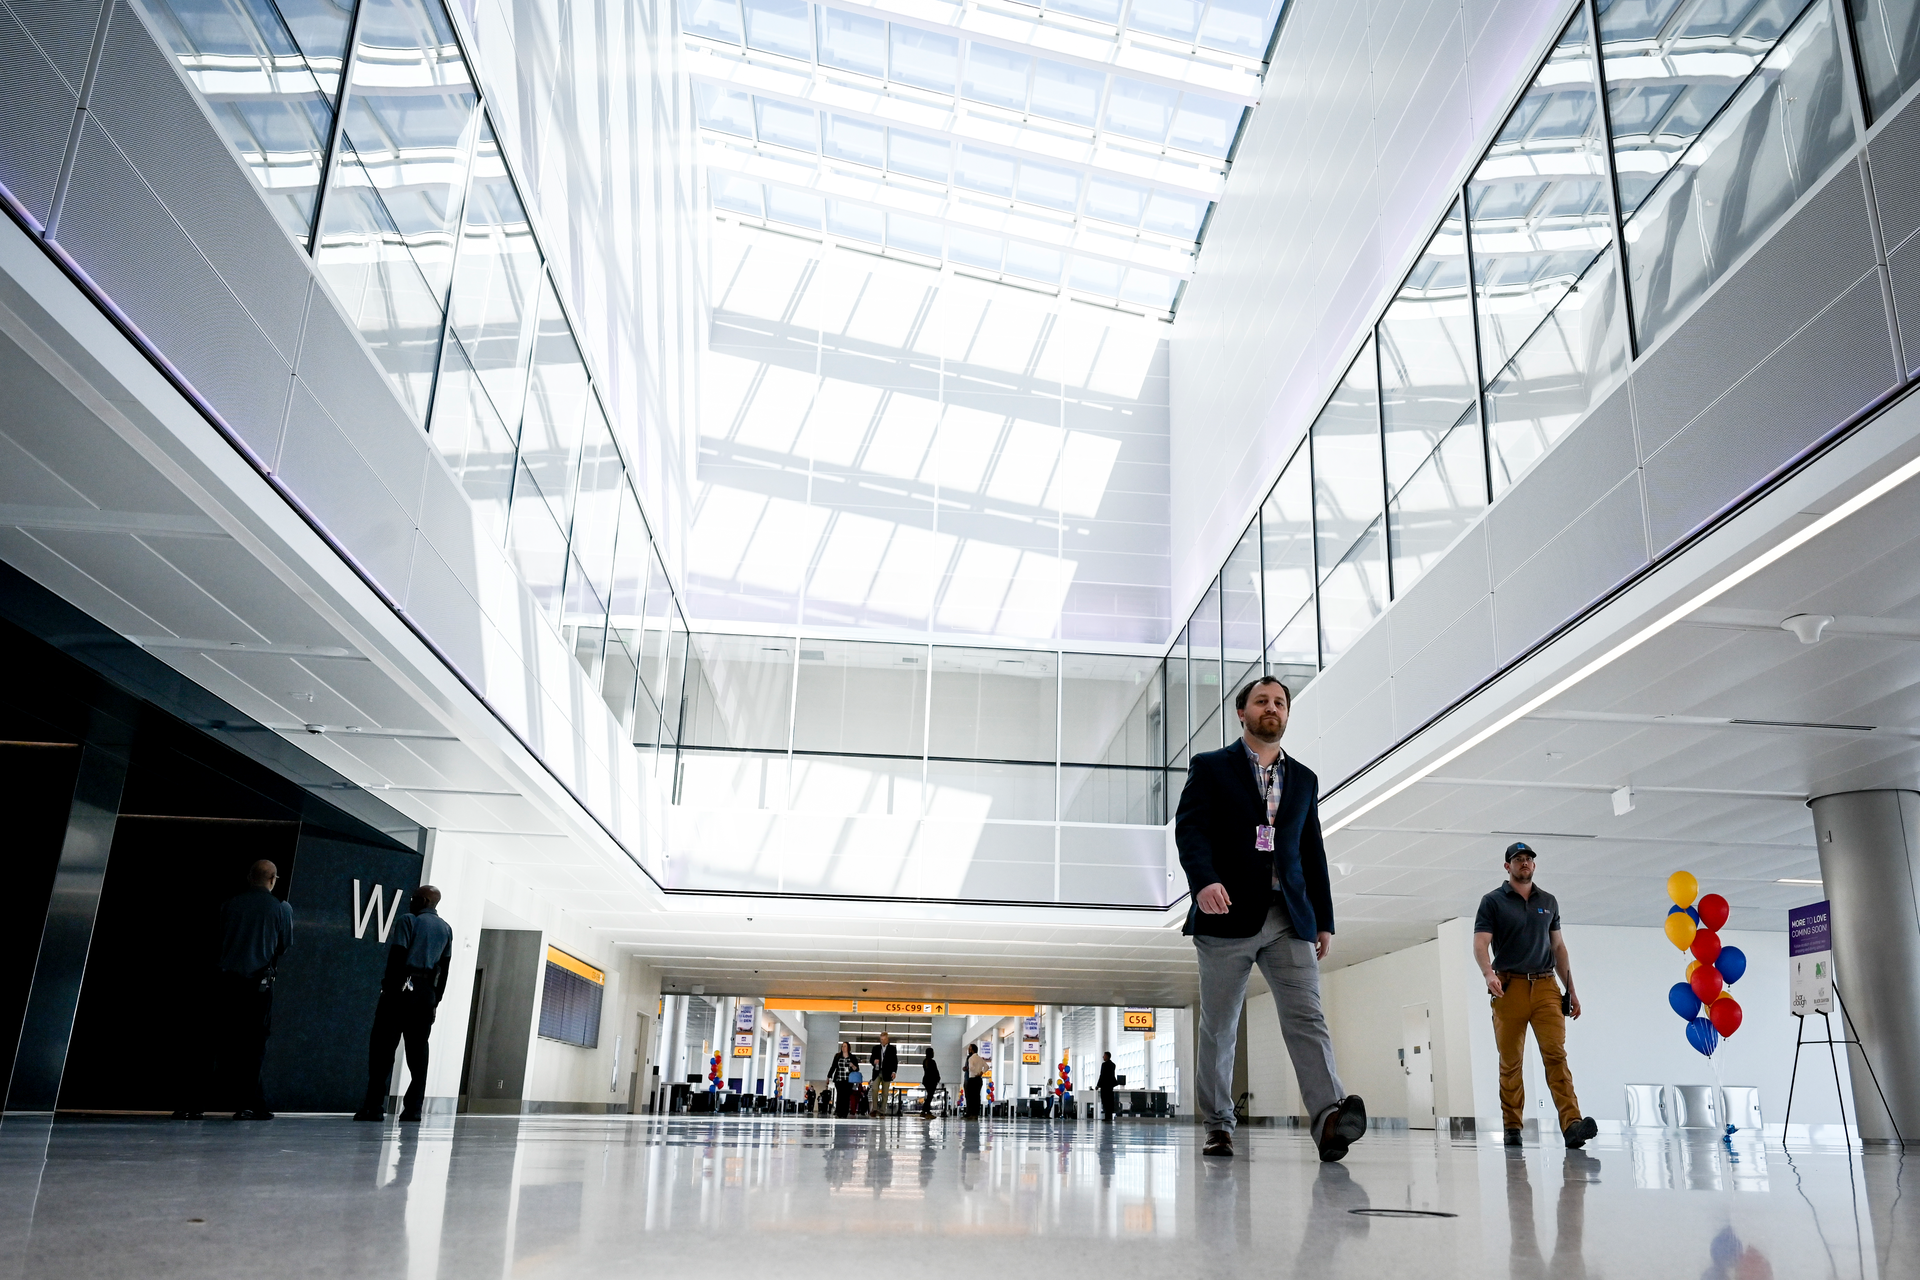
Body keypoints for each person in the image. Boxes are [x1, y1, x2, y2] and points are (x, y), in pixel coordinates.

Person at [1176, 675, 1365, 1161]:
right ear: (1242, 713)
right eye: (1262, 701)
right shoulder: (1212, 767)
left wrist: (1323, 918)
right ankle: (1218, 1125)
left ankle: (1328, 1121)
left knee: (1308, 1018)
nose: (1272, 708)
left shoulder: (1303, 778)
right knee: (1219, 1026)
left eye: (1279, 702)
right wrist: (1204, 882)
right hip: (1226, 915)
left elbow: (1311, 851)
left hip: (1289, 917)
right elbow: (1191, 830)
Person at [1474, 842, 1598, 1149]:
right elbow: (1480, 943)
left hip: (1545, 987)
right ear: (1508, 867)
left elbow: (1558, 947)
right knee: (1511, 1061)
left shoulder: (1549, 901)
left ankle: (1572, 1124)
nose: (1524, 863)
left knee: (1556, 1055)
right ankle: (1513, 1126)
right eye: (1518, 859)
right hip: (1509, 987)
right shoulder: (1492, 901)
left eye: (1528, 859)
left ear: (1534, 865)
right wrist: (1488, 974)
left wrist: (1571, 989)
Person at [352, 885, 453, 1122]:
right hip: (426, 993)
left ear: (426, 900)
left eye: (414, 898)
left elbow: (397, 957)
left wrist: (388, 988)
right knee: (418, 1051)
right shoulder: (446, 929)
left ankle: (374, 1107)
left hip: (401, 989)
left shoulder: (408, 920)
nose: (410, 901)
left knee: (382, 1049)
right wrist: (435, 999)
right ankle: (413, 1109)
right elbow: (444, 969)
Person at [210, 860, 292, 1120]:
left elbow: (217, 938)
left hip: (225, 982)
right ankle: (248, 1104)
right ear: (273, 879)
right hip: (258, 985)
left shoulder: (229, 905)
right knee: (253, 1045)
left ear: (249, 878)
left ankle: (196, 1102)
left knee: (216, 1040)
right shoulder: (280, 908)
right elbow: (283, 946)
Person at [870, 1032, 898, 1117]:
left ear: (887, 1039)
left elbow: (895, 1061)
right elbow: (871, 1059)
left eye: (884, 1039)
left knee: (885, 1093)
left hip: (887, 1073)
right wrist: (874, 1061)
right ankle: (874, 1109)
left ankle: (882, 1110)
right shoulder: (876, 1048)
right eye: (881, 1039)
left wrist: (894, 1072)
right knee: (874, 1089)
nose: (883, 1041)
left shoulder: (892, 1049)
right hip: (877, 1072)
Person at [829, 1041, 857, 1118]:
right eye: (842, 1046)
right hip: (839, 1079)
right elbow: (833, 1066)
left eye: (845, 1046)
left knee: (846, 1096)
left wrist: (852, 1065)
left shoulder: (852, 1057)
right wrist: (829, 1076)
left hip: (848, 1080)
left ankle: (845, 1112)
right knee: (840, 1095)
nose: (843, 1048)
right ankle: (838, 1112)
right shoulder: (837, 1056)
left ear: (848, 1048)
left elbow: (857, 1069)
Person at [963, 1043, 988, 1119]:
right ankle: (975, 1114)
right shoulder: (980, 1058)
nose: (968, 1049)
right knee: (977, 1097)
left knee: (970, 1097)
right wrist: (981, 1073)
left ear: (972, 1050)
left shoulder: (970, 1058)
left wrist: (975, 1072)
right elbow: (987, 1066)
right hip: (979, 1080)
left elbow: (971, 1068)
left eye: (969, 1048)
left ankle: (970, 1114)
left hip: (972, 1079)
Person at [1097, 1051, 1119, 1121]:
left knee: (1105, 1101)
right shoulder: (1113, 1065)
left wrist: (1098, 1085)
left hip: (1104, 1086)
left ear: (1107, 1056)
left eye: (1104, 1055)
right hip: (1110, 1086)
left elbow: (1102, 1075)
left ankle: (1107, 1116)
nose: (1103, 1057)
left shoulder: (1104, 1065)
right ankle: (1109, 1116)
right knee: (1109, 1101)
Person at [919, 1047, 940, 1116]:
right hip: (932, 1081)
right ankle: (925, 1110)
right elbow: (935, 1072)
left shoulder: (925, 1061)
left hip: (926, 1080)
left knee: (929, 1096)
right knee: (930, 1096)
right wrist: (938, 1078)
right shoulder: (932, 1062)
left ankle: (926, 1110)